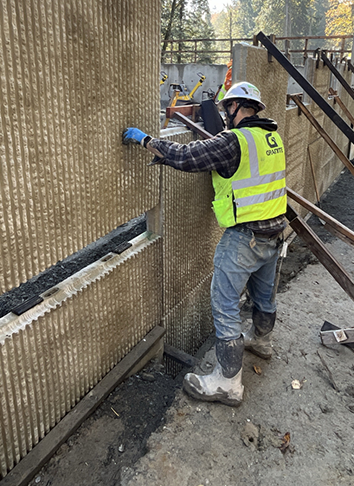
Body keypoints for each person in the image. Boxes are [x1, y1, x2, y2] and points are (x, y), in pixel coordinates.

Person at [123, 81, 287, 407]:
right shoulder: (272, 138)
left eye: (228, 108)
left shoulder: (234, 141)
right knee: (264, 295)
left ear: (237, 107)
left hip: (244, 239)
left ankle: (228, 383)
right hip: (273, 233)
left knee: (224, 305)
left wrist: (145, 141)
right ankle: (262, 341)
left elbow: (185, 157)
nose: (225, 114)